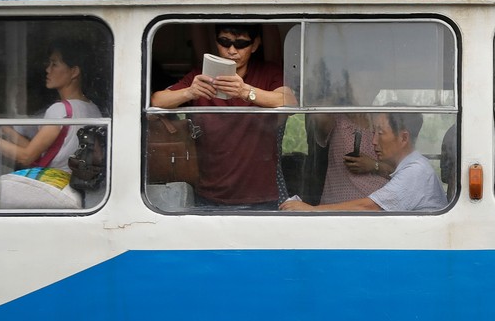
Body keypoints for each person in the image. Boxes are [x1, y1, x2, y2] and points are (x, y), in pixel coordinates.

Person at [151, 24, 295, 208]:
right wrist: (190, 92)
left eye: (241, 44)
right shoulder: (199, 76)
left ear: (255, 45)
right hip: (208, 194)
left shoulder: (268, 73)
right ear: (216, 42)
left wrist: (245, 91)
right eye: (224, 42)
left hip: (259, 196)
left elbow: (289, 102)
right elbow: (156, 101)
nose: (232, 51)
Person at [0, 40, 103, 208]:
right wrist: (4, 128)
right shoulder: (92, 108)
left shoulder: (59, 110)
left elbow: (27, 156)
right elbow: (44, 148)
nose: (47, 69)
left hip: (52, 188)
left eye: (54, 64)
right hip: (73, 186)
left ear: (74, 72)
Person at [280, 112, 446, 212]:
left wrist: (310, 210)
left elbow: (369, 207)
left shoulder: (416, 172)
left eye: (380, 133)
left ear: (403, 137)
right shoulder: (411, 167)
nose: (373, 141)